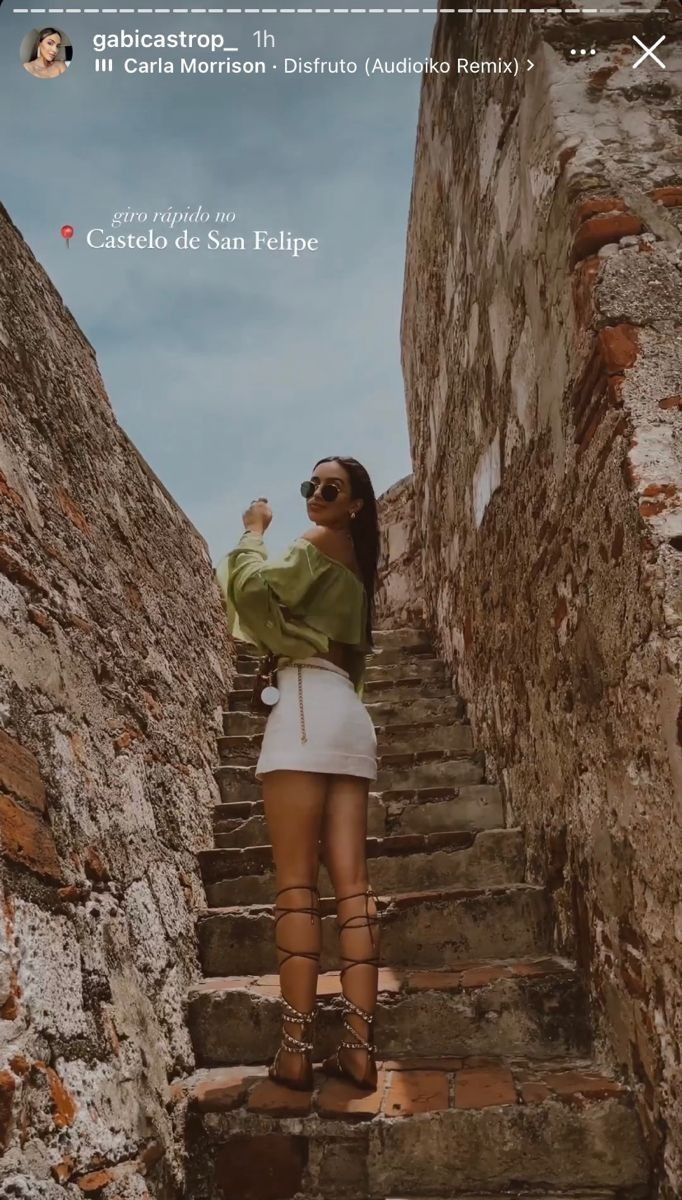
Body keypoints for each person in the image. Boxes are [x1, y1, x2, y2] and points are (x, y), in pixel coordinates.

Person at [216, 456, 381, 1092]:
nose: (315, 494)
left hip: (308, 706)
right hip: (348, 711)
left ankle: (293, 1050)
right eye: (309, 485)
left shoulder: (316, 542)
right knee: (354, 889)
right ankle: (361, 1047)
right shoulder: (359, 562)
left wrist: (253, 530)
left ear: (356, 502)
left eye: (329, 487)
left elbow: (256, 590)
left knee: (295, 887)